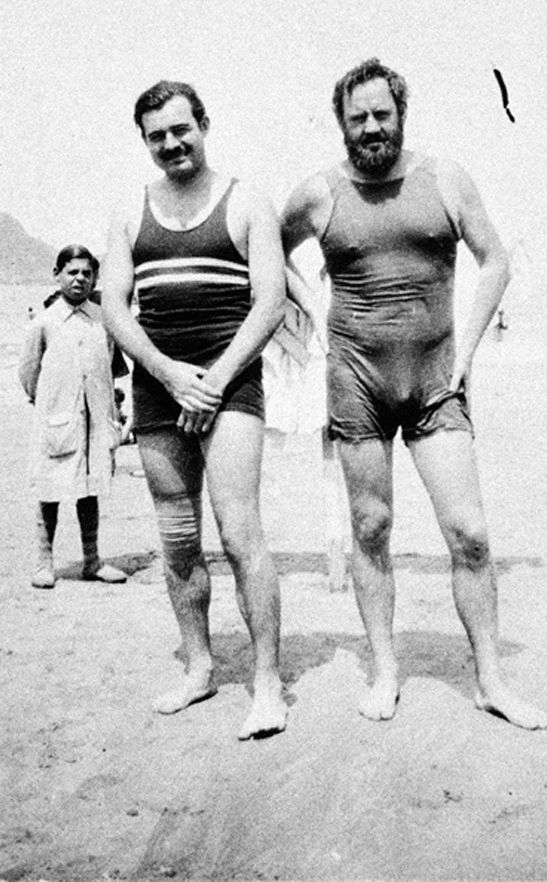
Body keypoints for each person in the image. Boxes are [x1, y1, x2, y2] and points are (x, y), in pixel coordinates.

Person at [282, 58, 547, 729]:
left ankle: (490, 679)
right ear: (340, 123)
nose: (370, 127)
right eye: (357, 117)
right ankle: (384, 670)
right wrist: (313, 312)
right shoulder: (318, 193)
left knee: (470, 533)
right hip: (356, 383)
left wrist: (467, 348)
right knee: (371, 529)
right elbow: (270, 254)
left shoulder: (445, 179)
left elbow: (496, 260)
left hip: (434, 381)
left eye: (381, 114)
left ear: (400, 113)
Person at [101, 80, 288, 740]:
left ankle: (267, 682)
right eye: (156, 136)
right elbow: (114, 305)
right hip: (160, 381)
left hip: (229, 380)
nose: (171, 144)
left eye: (181, 130)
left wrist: (212, 380)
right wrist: (166, 373)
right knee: (177, 540)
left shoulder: (245, 200)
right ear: (145, 142)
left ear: (203, 125)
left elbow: (269, 301)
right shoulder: (131, 210)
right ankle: (201, 667)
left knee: (240, 533)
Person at [19, 245, 127, 589]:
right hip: (57, 420)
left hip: (94, 422)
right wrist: (48, 403)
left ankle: (92, 561)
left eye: (87, 273)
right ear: (57, 274)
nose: (80, 279)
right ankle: (44, 563)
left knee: (90, 490)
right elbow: (28, 374)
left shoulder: (104, 320)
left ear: (95, 278)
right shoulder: (44, 323)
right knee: (50, 489)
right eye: (72, 272)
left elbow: (113, 370)